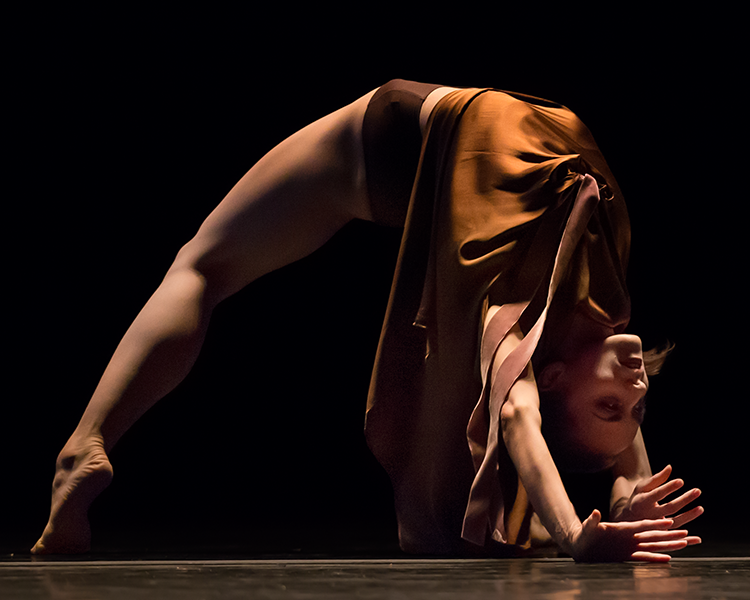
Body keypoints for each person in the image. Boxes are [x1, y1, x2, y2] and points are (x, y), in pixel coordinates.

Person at [32, 80, 703, 561]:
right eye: (634, 408)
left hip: (403, 140)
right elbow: (623, 447)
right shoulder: (600, 302)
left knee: (202, 265)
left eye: (612, 404)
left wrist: (573, 535)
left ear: (555, 377)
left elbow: (518, 418)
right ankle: (82, 450)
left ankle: (84, 446)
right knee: (204, 269)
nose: (639, 390)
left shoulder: (517, 326)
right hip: (451, 149)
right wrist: (626, 500)